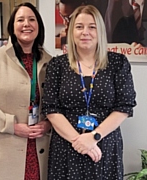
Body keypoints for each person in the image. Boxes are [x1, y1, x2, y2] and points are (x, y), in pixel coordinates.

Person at [42, 5, 136, 179]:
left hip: (104, 146)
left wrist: (93, 137)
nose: (85, 32)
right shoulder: (57, 65)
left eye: (91, 27)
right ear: (71, 32)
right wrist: (78, 141)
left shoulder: (118, 63)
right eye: (79, 27)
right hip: (66, 148)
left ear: (100, 31)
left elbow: (124, 106)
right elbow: (51, 108)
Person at [0, 2, 52, 180]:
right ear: (12, 27)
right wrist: (13, 127)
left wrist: (47, 124)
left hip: (40, 150)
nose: (26, 24)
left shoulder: (51, 63)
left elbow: (56, 105)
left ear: (39, 26)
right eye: (20, 20)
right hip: (3, 150)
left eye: (32, 19)